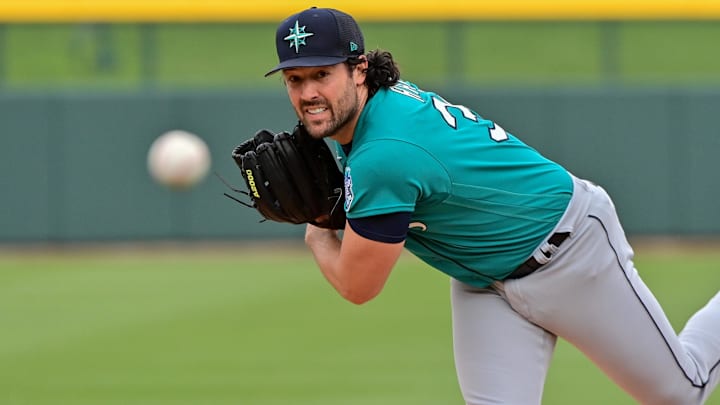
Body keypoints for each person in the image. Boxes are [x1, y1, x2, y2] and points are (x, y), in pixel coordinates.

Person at [264, 7, 720, 404]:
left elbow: (357, 285)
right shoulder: (368, 112)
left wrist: (318, 227)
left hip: (569, 249)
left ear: (358, 69)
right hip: (484, 279)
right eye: (295, 79)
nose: (308, 94)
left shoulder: (383, 153)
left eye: (322, 75)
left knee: (679, 394)